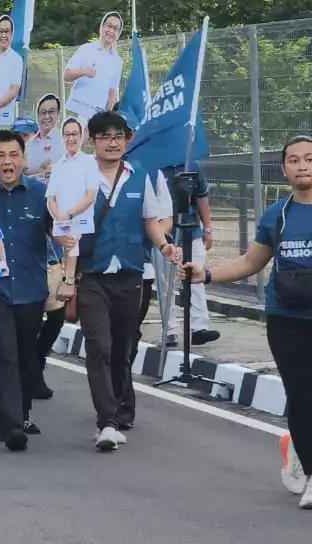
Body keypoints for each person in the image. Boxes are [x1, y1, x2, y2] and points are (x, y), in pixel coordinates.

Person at [182, 135, 312, 509]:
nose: (302, 165)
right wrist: (205, 276)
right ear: (284, 168)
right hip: (286, 319)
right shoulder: (278, 215)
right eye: (294, 160)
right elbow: (251, 262)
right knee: (303, 397)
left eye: (308, 159)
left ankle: (298, 448)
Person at [56, 110, 175, 452]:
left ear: (126, 140)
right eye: (105, 136)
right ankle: (106, 421)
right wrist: (68, 277)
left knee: (123, 349)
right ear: (92, 142)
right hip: (92, 277)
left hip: (130, 275)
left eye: (118, 136)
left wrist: (165, 247)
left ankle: (120, 406)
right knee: (100, 346)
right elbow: (71, 233)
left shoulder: (140, 177)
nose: (113, 142)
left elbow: (151, 221)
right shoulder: (79, 179)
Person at [0, 130, 57, 450]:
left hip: (30, 289)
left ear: (23, 159)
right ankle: (11, 425)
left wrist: (66, 239)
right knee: (3, 354)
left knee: (24, 356)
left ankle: (15, 414)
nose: (7, 162)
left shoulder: (41, 194)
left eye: (13, 155)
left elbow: (59, 230)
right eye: (0, 156)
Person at [151, 162, 219, 347]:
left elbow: (201, 196)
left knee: (196, 277)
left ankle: (199, 327)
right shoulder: (153, 166)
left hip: (191, 230)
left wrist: (208, 228)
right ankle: (170, 330)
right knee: (165, 284)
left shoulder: (191, 164)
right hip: (163, 234)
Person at [64, 12, 124, 121]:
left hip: (97, 117)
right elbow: (66, 76)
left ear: (119, 34)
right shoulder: (86, 49)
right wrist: (83, 72)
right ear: (102, 27)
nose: (111, 31)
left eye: (115, 28)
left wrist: (106, 117)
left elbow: (112, 92)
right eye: (109, 26)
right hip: (77, 110)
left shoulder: (117, 60)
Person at [46, 117, 99, 237]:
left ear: (81, 136)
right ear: (62, 138)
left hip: (84, 230)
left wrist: (69, 215)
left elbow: (91, 196)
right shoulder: (57, 167)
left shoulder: (90, 163)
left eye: (74, 134)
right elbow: (51, 200)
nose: (71, 138)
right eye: (67, 134)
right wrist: (59, 218)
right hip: (62, 232)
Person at [25, 94, 63, 181]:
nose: (46, 116)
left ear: (58, 115)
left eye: (51, 112)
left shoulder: (65, 142)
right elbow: (23, 171)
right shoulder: (28, 145)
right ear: (37, 116)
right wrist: (39, 171)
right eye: (43, 112)